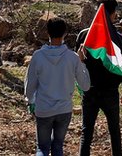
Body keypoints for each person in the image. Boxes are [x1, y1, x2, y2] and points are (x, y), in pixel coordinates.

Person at [24, 18, 91, 156]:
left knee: (42, 147)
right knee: (58, 146)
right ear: (65, 34)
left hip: (43, 109)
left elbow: (30, 85)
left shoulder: (38, 56)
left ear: (47, 33)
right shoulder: (73, 58)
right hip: (64, 109)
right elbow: (85, 86)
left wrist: (30, 101)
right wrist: (82, 62)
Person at [75, 0, 122, 156]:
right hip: (110, 91)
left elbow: (77, 63)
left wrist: (79, 87)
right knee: (114, 130)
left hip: (89, 90)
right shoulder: (119, 38)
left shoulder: (84, 35)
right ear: (113, 14)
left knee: (87, 132)